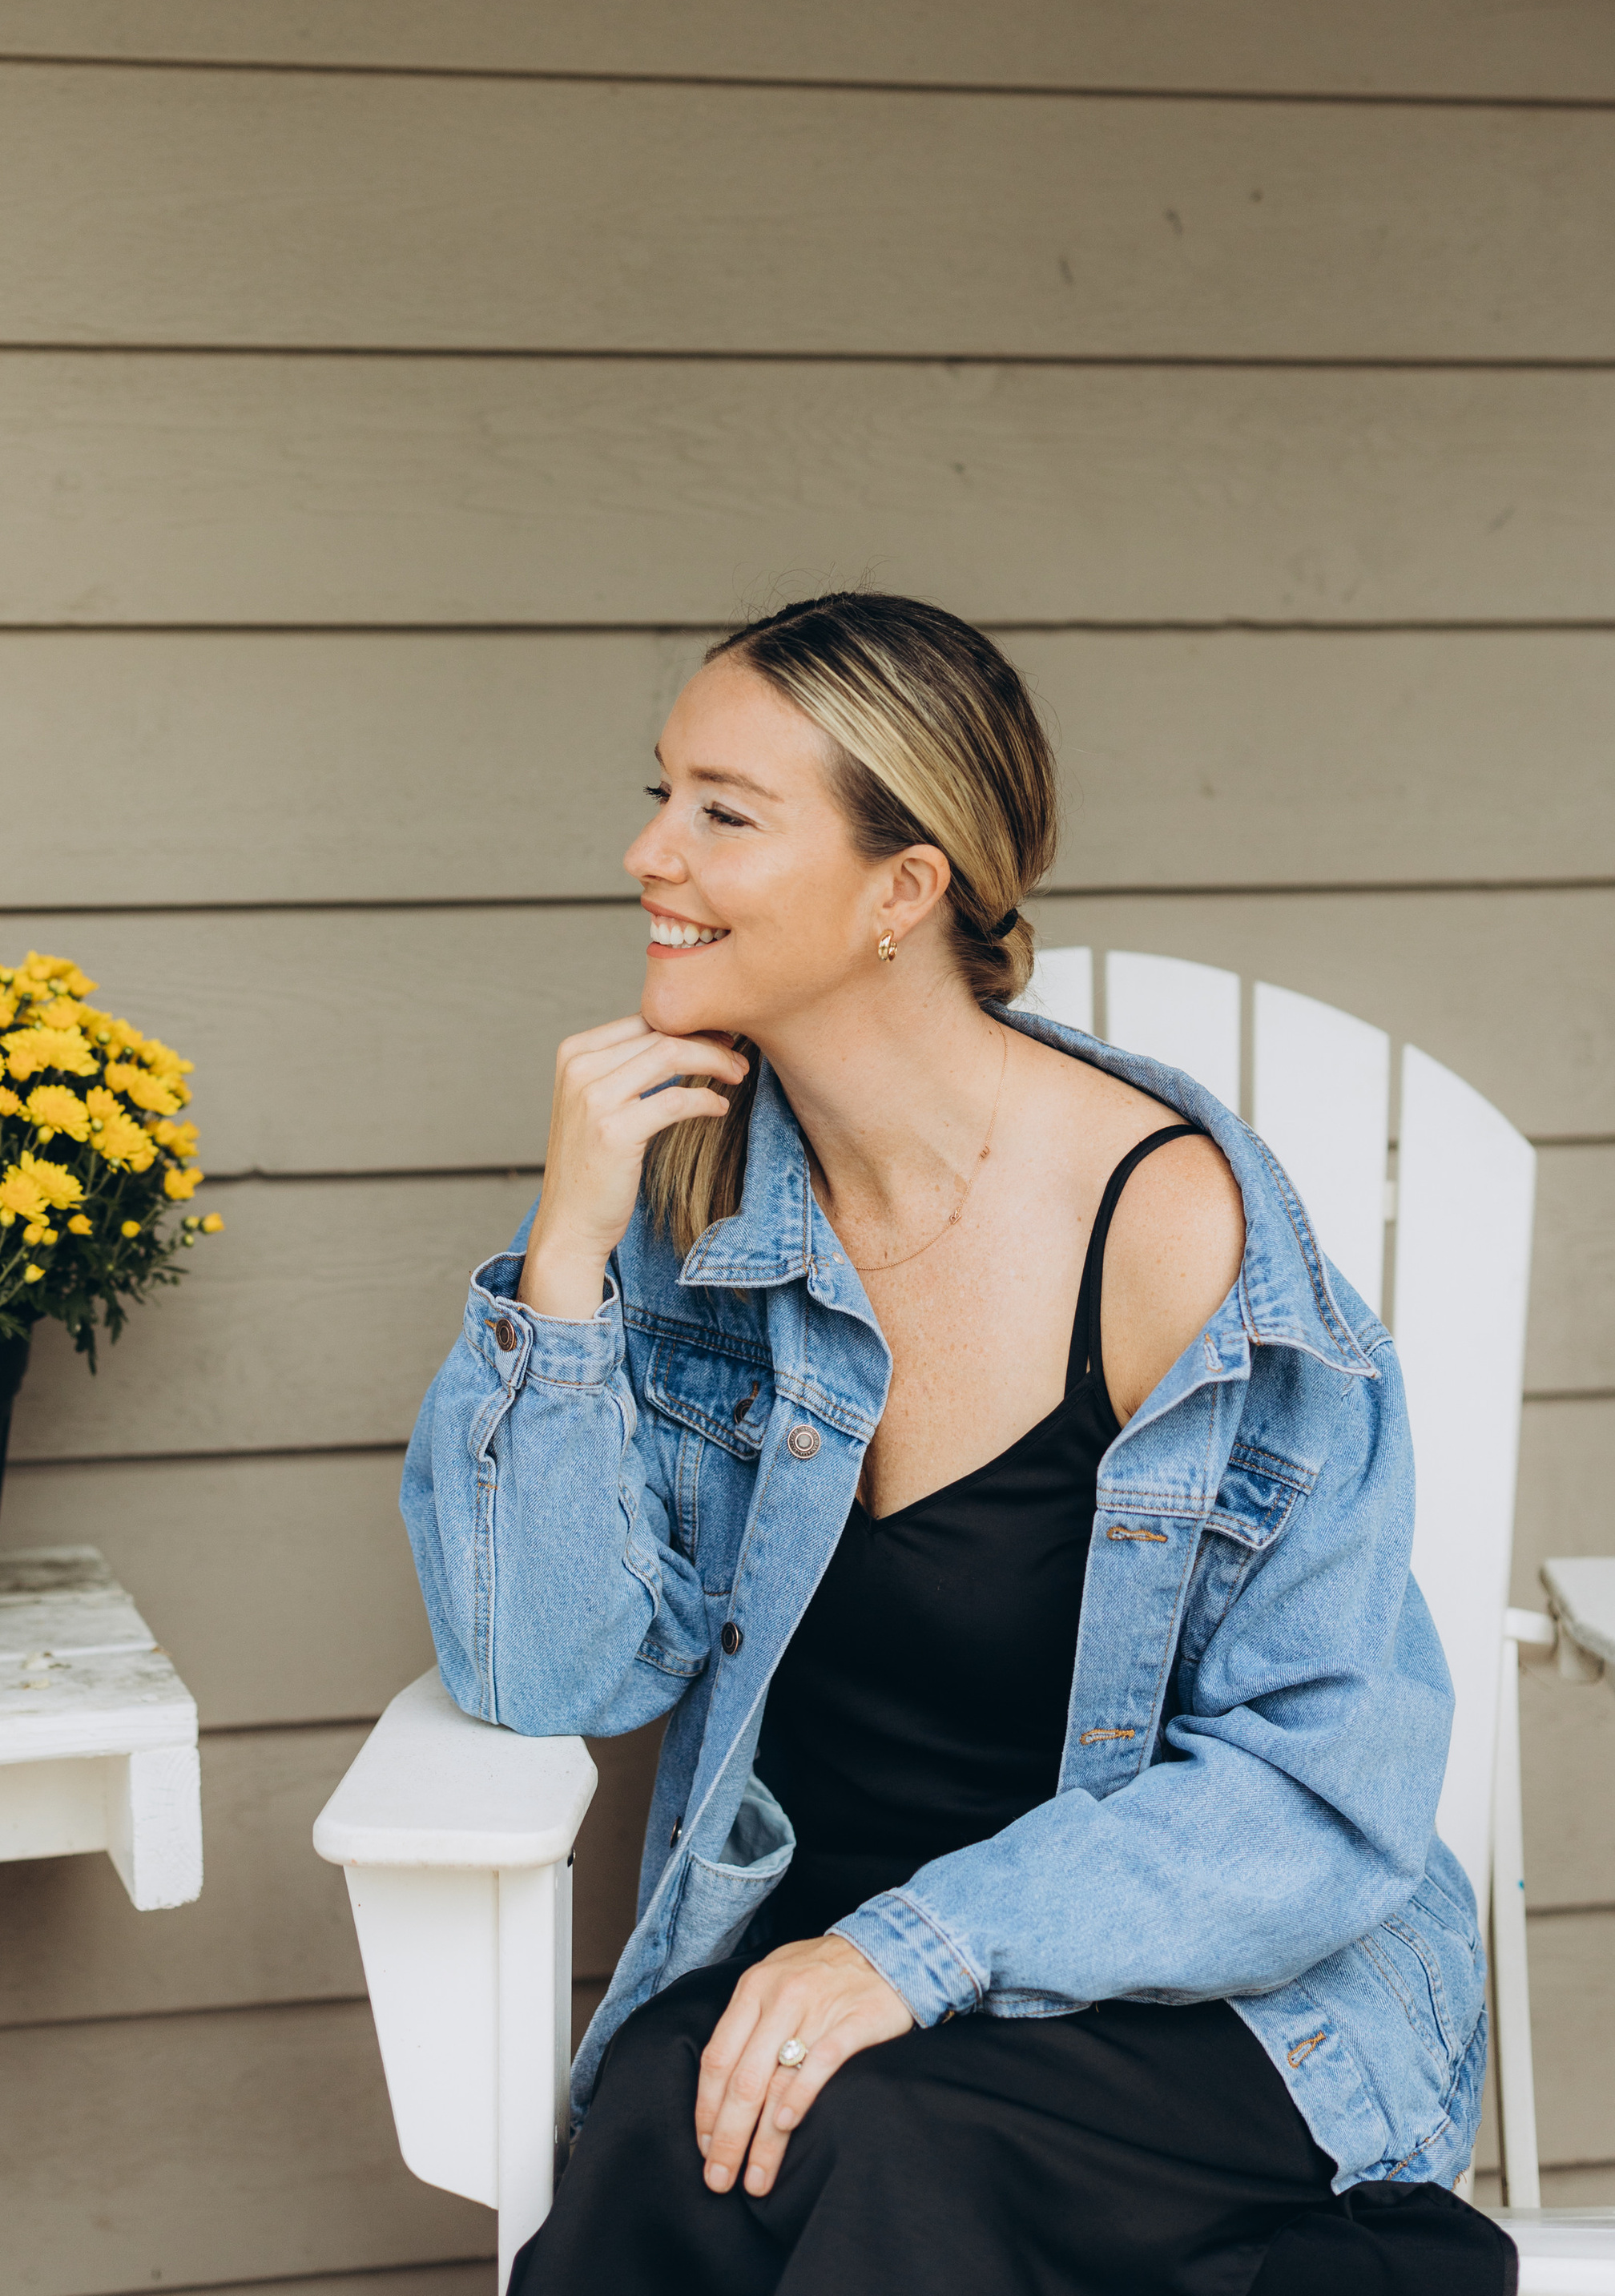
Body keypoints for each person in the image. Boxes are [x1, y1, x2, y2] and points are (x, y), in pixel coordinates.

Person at [401, 591, 1515, 2294]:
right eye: (656, 794)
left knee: (884, 2145)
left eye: (721, 811)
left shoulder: (1175, 1237)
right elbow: (542, 1672)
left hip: (1200, 1987)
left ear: (899, 888)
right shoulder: (698, 1207)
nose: (647, 853)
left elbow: (1318, 1785)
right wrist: (559, 1270)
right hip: (819, 1967)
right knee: (656, 2120)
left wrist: (914, 1951)